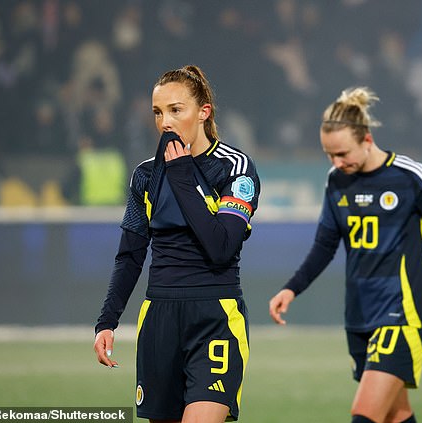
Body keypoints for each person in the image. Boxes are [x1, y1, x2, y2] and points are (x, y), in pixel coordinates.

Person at [268, 87, 422, 423]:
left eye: (342, 153)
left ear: (367, 140)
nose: (337, 163)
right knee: (395, 416)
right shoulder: (337, 182)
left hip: (402, 314)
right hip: (359, 316)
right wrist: (292, 287)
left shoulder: (410, 177)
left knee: (365, 414)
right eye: (329, 155)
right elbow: (325, 246)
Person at [94, 65, 260, 423]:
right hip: (159, 320)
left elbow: (221, 247)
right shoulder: (146, 175)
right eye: (157, 112)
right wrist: (106, 322)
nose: (165, 122)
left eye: (176, 110)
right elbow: (130, 256)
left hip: (214, 317)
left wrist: (184, 176)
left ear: (204, 112)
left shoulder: (233, 168)